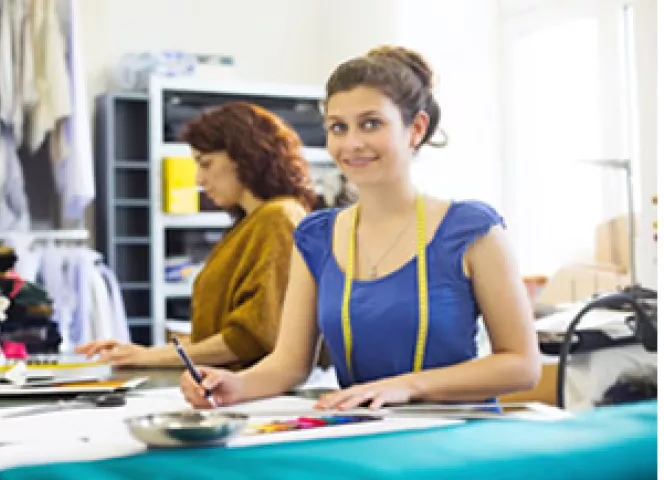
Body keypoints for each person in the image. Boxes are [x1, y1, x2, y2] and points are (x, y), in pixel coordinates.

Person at [180, 45, 541, 410]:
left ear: (415, 128)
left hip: (457, 438)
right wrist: (234, 385)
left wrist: (408, 386)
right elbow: (288, 365)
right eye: (338, 127)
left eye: (371, 123)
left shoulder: (472, 230)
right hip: (365, 435)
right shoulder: (316, 238)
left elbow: (522, 365)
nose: (352, 143)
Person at [77, 102, 316, 369]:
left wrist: (146, 358)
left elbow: (252, 338)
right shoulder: (251, 224)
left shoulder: (278, 218)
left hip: (254, 393)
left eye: (206, 164)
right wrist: (139, 353)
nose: (198, 180)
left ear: (245, 155)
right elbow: (222, 334)